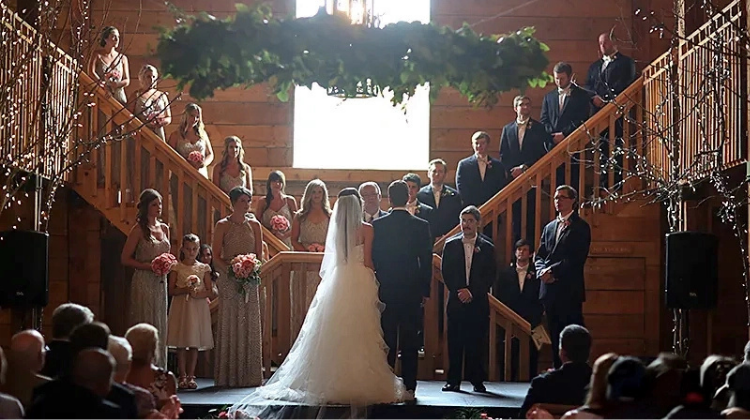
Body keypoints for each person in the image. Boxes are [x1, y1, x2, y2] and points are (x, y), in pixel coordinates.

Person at [228, 188, 406, 417]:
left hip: (339, 280)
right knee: (361, 330)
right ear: (357, 205)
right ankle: (357, 378)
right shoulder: (367, 229)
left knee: (334, 330)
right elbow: (369, 261)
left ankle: (331, 378)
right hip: (360, 280)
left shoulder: (338, 230)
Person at [372, 180, 433, 398]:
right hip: (411, 289)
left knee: (387, 337)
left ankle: (385, 384)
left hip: (386, 287)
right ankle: (409, 385)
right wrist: (425, 290)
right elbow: (426, 260)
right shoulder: (420, 225)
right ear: (408, 197)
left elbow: (375, 257)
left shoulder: (379, 225)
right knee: (410, 339)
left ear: (388, 198)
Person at [534, 185, 591, 368]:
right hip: (549, 290)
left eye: (562, 197)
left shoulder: (581, 227)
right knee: (554, 331)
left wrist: (553, 272)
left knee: (571, 334)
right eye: (556, 197)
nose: (557, 201)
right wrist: (541, 270)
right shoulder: (550, 227)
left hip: (568, 289)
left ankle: (573, 371)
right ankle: (558, 369)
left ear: (572, 200)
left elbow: (576, 258)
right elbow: (540, 254)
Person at [213, 186, 264, 387]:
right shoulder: (222, 225)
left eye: (248, 201)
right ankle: (229, 375)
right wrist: (233, 270)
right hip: (229, 280)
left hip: (250, 281)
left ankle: (249, 375)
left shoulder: (255, 225)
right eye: (242, 201)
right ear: (233, 203)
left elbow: (259, 256)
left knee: (249, 323)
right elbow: (216, 256)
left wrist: (250, 269)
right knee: (231, 322)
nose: (246, 204)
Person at [441, 206, 495, 393]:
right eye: (463, 220)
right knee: (455, 341)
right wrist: (459, 290)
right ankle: (453, 380)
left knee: (476, 342)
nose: (466, 224)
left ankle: (477, 380)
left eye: (470, 221)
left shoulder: (487, 247)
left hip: (478, 301)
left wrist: (472, 292)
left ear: (478, 223)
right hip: (456, 300)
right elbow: (446, 272)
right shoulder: (450, 245)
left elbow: (490, 275)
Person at [121, 189, 170, 368]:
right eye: (154, 204)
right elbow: (125, 258)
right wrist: (149, 266)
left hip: (160, 281)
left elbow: (167, 254)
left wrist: (167, 264)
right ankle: (143, 367)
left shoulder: (164, 228)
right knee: (146, 318)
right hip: (144, 279)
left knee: (160, 321)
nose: (158, 208)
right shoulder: (138, 230)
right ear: (146, 207)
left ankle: (160, 367)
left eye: (160, 204)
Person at [166, 233, 215, 390]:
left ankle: (191, 376)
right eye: (188, 249)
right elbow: (171, 290)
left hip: (197, 306)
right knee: (182, 341)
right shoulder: (177, 267)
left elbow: (210, 290)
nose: (191, 252)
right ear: (183, 249)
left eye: (194, 249)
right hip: (182, 305)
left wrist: (198, 294)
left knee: (194, 341)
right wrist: (185, 289)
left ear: (198, 249)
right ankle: (182, 376)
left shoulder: (203, 268)